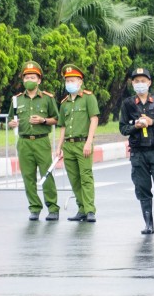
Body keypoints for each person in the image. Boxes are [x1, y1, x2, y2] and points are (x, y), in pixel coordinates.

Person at [119, 67, 154, 235]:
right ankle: (148, 224)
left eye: (143, 81)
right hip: (138, 153)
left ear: (149, 82)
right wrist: (135, 126)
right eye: (137, 81)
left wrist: (152, 122)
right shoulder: (128, 104)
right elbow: (123, 128)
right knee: (142, 188)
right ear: (132, 84)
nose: (140, 84)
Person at [7, 61, 60, 221]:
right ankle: (34, 208)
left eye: (33, 77)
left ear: (39, 80)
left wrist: (43, 120)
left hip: (41, 141)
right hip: (24, 142)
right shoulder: (17, 100)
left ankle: (52, 208)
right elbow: (10, 119)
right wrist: (11, 123)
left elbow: (56, 119)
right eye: (26, 77)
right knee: (28, 176)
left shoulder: (47, 98)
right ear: (23, 80)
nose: (29, 79)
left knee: (47, 175)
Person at [56, 64, 99, 222]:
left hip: (83, 143)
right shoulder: (64, 103)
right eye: (67, 81)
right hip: (68, 145)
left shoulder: (88, 98)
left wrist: (89, 142)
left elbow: (94, 119)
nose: (69, 83)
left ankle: (90, 210)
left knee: (86, 176)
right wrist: (59, 147)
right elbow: (62, 126)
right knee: (74, 178)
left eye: (72, 80)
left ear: (80, 82)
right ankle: (81, 208)